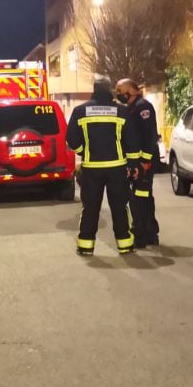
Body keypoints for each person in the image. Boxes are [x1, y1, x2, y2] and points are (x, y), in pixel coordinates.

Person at [65, 77, 141, 256]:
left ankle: (86, 246)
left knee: (90, 208)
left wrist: (84, 151)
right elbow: (131, 140)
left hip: (92, 169)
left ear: (94, 90)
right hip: (117, 168)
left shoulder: (80, 111)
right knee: (119, 208)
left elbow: (71, 139)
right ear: (110, 91)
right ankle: (125, 245)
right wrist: (134, 164)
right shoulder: (121, 111)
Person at [116, 79, 160, 248]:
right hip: (136, 163)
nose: (118, 94)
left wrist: (145, 161)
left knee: (140, 198)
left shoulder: (143, 107)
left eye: (120, 90)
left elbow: (150, 136)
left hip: (144, 163)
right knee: (141, 198)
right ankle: (149, 233)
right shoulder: (131, 108)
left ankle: (142, 235)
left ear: (130, 90)